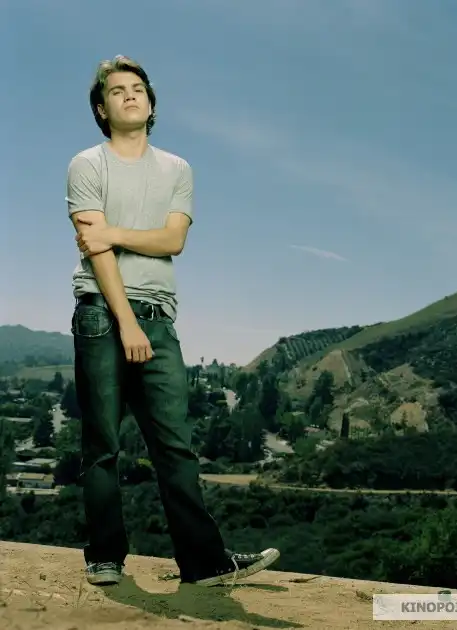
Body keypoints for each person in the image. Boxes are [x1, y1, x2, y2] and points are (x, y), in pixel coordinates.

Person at [66, 55, 280, 587]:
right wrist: (127, 322)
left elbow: (173, 240)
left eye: (138, 88)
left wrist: (114, 232)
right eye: (117, 90)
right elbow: (96, 251)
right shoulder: (87, 164)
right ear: (102, 109)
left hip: (160, 318)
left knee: (175, 447)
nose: (130, 95)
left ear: (151, 103)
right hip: (102, 315)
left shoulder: (177, 169)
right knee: (103, 446)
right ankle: (105, 557)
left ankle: (203, 563)